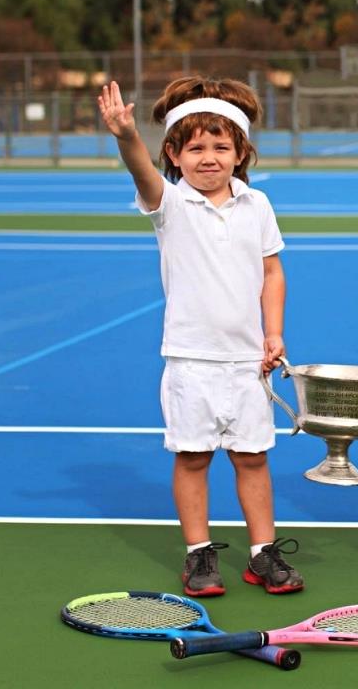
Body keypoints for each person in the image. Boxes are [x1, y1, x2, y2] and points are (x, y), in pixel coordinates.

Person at [97, 76, 303, 597]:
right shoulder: (168, 203)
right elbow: (140, 171)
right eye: (195, 148)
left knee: (253, 458)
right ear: (173, 153)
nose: (208, 157)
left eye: (220, 146)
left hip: (246, 362)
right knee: (193, 457)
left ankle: (263, 554)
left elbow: (272, 272)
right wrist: (125, 135)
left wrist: (273, 332)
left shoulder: (257, 206)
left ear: (240, 152)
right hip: (190, 360)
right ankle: (199, 555)